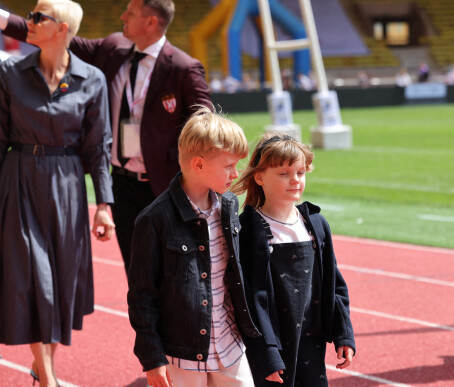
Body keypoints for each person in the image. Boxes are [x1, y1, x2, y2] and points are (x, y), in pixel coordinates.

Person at [0, 0, 212, 275]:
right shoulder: (113, 49)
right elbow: (59, 37)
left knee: (175, 273)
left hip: (166, 187)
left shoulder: (184, 67)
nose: (122, 16)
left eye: (131, 13)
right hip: (122, 184)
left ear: (151, 23)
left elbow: (205, 127)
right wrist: (3, 19)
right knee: (136, 272)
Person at [0, 1, 115, 386]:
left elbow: (99, 147)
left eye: (37, 17)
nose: (27, 21)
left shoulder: (93, 79)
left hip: (67, 187)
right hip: (18, 180)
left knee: (61, 280)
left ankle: (42, 363)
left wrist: (104, 205)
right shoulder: (8, 73)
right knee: (33, 278)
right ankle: (48, 376)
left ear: (61, 28)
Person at [127, 106, 260, 387]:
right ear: (199, 164)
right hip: (182, 356)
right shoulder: (154, 219)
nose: (235, 174)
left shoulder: (229, 206)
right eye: (228, 166)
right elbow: (141, 296)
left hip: (230, 347)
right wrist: (152, 358)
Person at [231, 133, 356, 386]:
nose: (295, 180)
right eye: (284, 173)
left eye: (300, 172)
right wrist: (265, 351)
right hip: (271, 344)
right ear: (259, 177)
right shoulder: (247, 230)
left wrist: (344, 334)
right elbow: (250, 299)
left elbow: (334, 284)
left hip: (312, 343)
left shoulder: (316, 224)